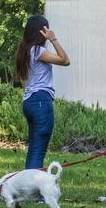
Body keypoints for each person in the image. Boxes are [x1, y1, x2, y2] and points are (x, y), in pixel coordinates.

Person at [15, 15, 70, 170]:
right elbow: (65, 60)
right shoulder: (38, 51)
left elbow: (22, 80)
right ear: (42, 32)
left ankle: (28, 184)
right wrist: (53, 39)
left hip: (28, 101)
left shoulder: (24, 51)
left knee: (34, 148)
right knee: (39, 150)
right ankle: (33, 188)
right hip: (40, 101)